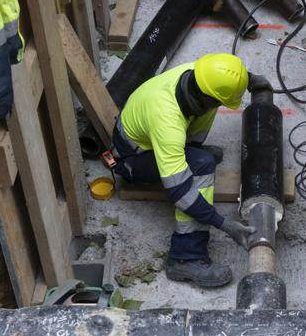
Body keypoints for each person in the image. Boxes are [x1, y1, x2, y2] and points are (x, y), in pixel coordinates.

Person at [111, 54, 260, 287]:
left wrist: (252, 80)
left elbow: (227, 75)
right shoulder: (167, 120)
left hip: (152, 135)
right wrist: (224, 224)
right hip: (132, 158)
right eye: (218, 101)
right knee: (201, 165)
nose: (219, 105)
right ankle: (185, 256)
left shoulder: (201, 74)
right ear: (205, 97)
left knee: (200, 150)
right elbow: (179, 192)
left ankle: (190, 150)